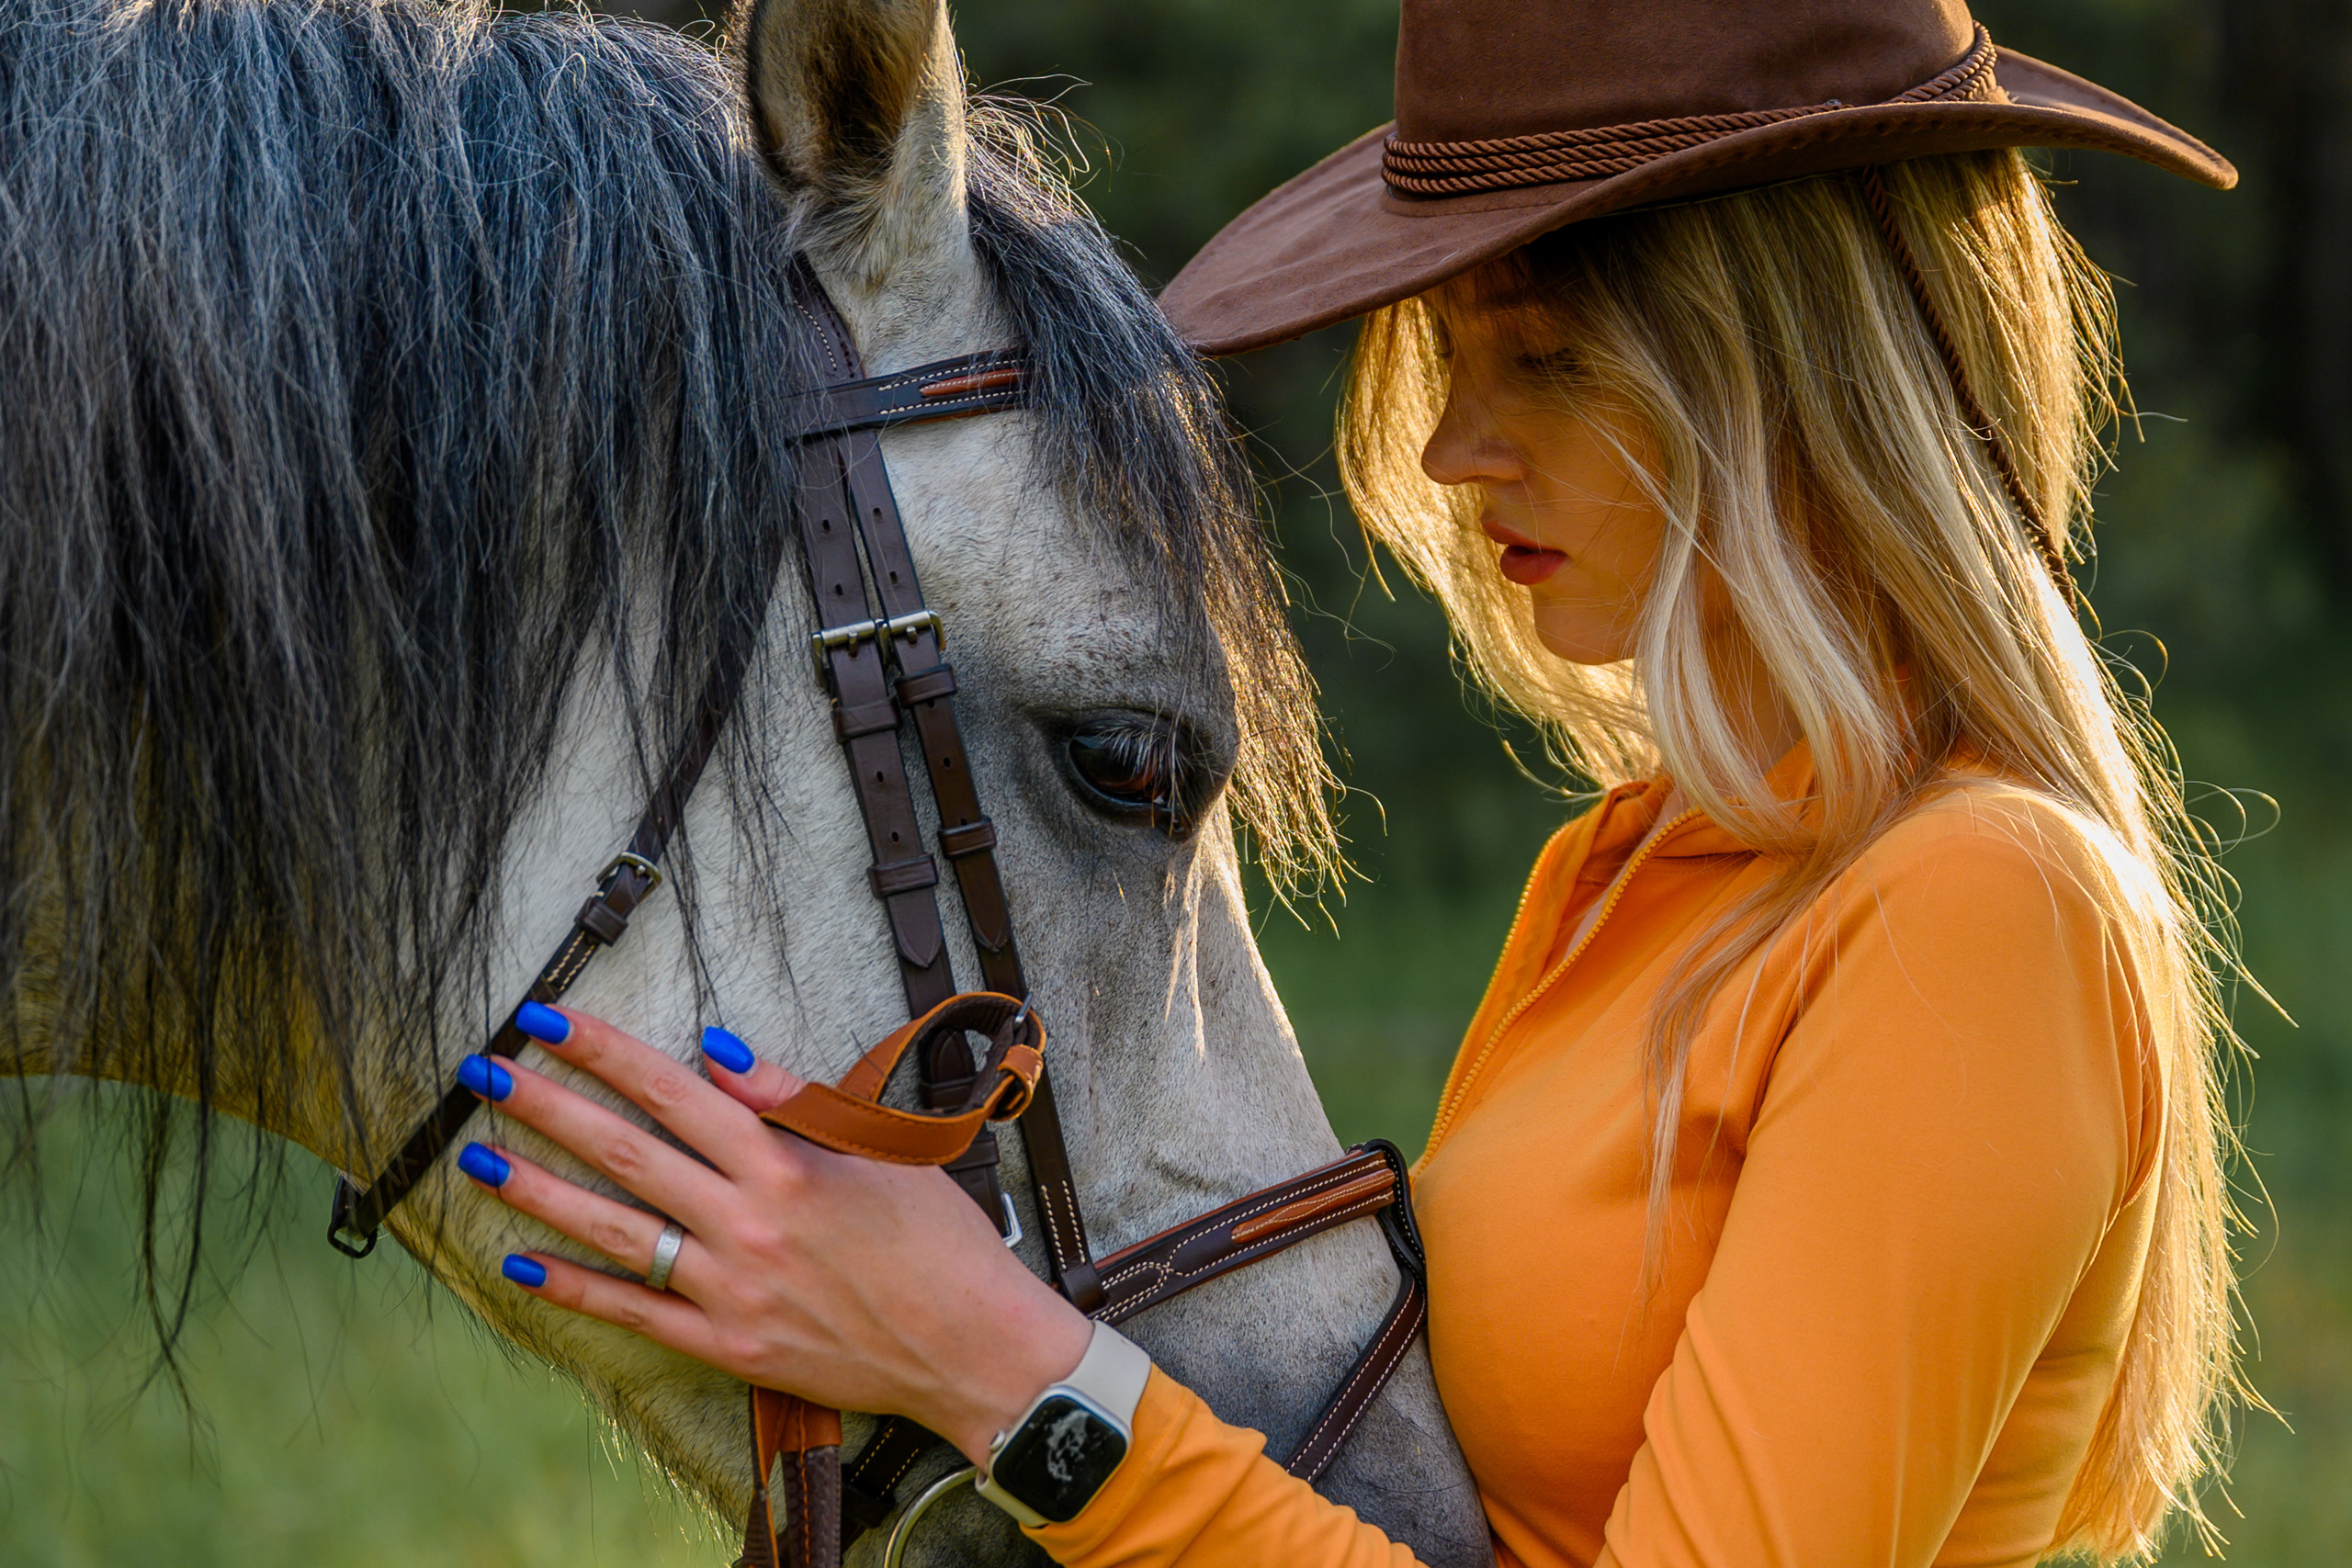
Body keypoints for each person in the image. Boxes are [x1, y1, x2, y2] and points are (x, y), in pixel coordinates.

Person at [448, 2, 2254, 1562]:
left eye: (1539, 357)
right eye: (1446, 356)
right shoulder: (1629, 869)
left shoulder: (1975, 908)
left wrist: (1000, 1370)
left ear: (1787, 370)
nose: (1456, 449)